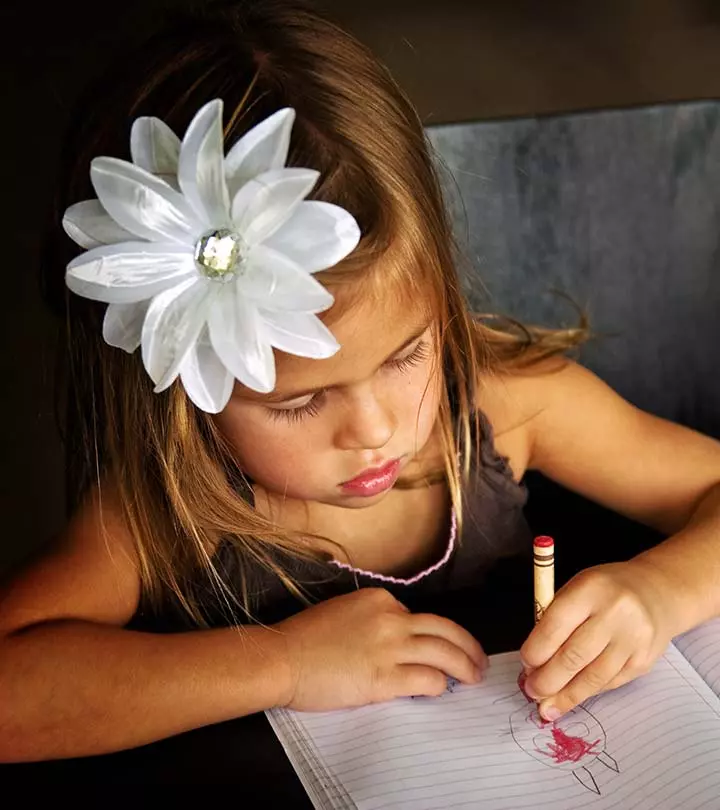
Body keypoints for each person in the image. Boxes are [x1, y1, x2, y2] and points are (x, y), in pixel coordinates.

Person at [2, 0, 719, 763]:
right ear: (184, 385)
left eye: (406, 354)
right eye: (298, 400)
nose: (374, 430)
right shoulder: (168, 507)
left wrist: (661, 590)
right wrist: (281, 666)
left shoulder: (513, 405)